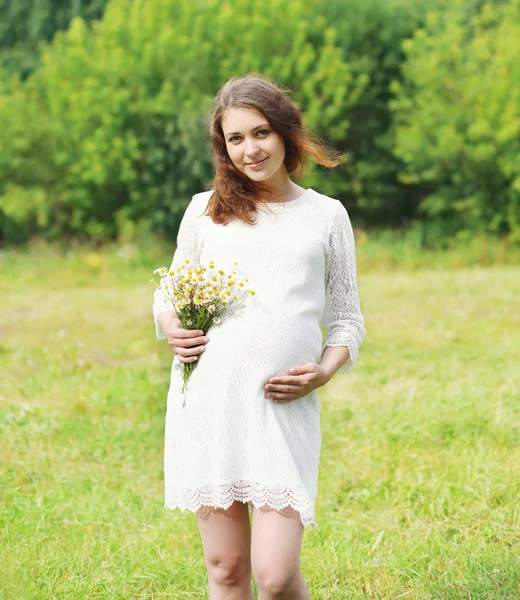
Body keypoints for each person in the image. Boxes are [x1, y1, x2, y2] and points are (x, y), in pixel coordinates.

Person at [152, 73, 366, 600]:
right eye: (235, 139)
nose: (250, 149)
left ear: (287, 132)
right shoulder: (205, 211)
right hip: (207, 404)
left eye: (261, 132)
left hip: (279, 410)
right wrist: (170, 327)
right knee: (226, 569)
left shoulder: (326, 215)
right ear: (223, 148)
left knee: (273, 575)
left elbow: (347, 320)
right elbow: (169, 295)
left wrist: (323, 371)